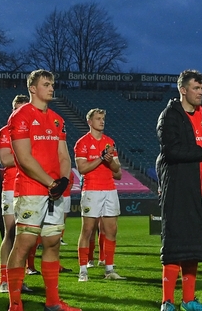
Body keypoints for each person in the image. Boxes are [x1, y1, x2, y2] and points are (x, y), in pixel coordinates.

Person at [5, 69, 80, 311]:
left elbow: (64, 156)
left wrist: (64, 181)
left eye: (52, 84)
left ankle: (53, 302)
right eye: (46, 84)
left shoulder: (58, 119)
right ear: (32, 89)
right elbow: (24, 158)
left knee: (53, 243)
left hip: (55, 191)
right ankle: (15, 304)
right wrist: (51, 183)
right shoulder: (20, 116)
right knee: (24, 244)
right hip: (31, 190)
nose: (51, 88)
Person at [156, 70, 202, 311]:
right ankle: (167, 301)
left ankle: (188, 300)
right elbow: (170, 151)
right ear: (183, 90)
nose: (201, 93)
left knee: (194, 245)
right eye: (196, 88)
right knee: (176, 244)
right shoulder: (169, 116)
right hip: (178, 189)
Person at [75, 108, 125, 281]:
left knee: (111, 229)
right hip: (91, 190)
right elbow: (82, 169)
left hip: (110, 190)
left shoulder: (109, 142)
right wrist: (101, 158)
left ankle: (109, 269)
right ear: (90, 122)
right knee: (87, 230)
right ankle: (83, 270)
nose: (102, 121)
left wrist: (110, 160)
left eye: (103, 118)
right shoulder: (82, 143)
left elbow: (117, 171)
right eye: (98, 118)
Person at [0, 94, 34, 293]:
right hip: (11, 187)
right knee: (10, 233)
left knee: (26, 236)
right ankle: (4, 279)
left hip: (30, 186)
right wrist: (27, 156)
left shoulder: (33, 131)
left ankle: (19, 279)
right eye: (17, 110)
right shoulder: (5, 132)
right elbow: (4, 159)